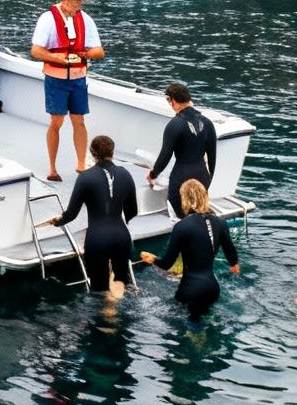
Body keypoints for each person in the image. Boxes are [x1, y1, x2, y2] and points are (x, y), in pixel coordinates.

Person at [41, 135, 137, 300]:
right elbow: (132, 211)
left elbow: (71, 214)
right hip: (121, 236)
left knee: (99, 292)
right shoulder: (125, 174)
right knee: (121, 287)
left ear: (93, 153)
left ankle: (105, 323)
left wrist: (57, 222)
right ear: (112, 152)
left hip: (97, 239)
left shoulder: (85, 178)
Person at [30, 0, 106, 181]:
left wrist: (86, 54)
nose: (81, 4)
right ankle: (52, 168)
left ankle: (81, 164)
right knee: (56, 121)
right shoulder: (47, 19)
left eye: (82, 0)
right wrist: (56, 57)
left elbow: (99, 51)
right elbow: (36, 50)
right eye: (79, 0)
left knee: (79, 121)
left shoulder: (85, 20)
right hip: (56, 80)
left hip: (78, 79)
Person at [139, 180, 240, 321]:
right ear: (204, 197)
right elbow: (231, 254)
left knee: (185, 326)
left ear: (185, 199)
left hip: (190, 289)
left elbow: (167, 263)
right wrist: (235, 265)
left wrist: (153, 259)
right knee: (202, 323)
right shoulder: (221, 223)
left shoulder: (181, 227)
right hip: (213, 288)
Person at [147, 82, 216, 216]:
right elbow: (212, 158)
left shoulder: (174, 125)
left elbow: (165, 155)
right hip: (202, 177)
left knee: (180, 218)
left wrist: (153, 174)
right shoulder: (208, 123)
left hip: (181, 178)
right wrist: (208, 181)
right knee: (200, 216)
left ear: (172, 101)